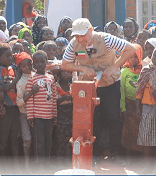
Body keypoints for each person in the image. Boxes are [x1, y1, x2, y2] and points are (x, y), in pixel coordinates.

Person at [61, 18, 136, 165]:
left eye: (83, 35)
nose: (80, 39)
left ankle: (115, 153)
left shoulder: (106, 39)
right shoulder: (74, 44)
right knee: (90, 120)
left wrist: (114, 66)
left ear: (90, 30)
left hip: (110, 85)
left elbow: (131, 49)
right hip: (88, 88)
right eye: (77, 36)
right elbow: (65, 64)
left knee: (114, 119)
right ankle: (92, 155)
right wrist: (82, 68)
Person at [26, 50, 57, 170]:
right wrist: (30, 116)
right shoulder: (31, 78)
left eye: (42, 62)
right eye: (36, 62)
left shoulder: (50, 77)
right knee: (40, 141)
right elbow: (30, 99)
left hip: (49, 116)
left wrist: (54, 114)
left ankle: (47, 161)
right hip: (38, 116)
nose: (39, 64)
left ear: (46, 62)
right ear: (33, 64)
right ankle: (40, 165)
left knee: (48, 140)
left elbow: (53, 97)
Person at [0, 43, 22, 169]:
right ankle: (2, 167)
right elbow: (3, 88)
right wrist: (16, 79)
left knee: (15, 137)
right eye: (7, 56)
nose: (10, 58)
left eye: (11, 56)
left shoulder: (14, 68)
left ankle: (16, 167)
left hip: (16, 107)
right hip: (5, 108)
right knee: (3, 138)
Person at [120, 44, 143, 164]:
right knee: (128, 132)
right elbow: (122, 91)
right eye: (130, 56)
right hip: (128, 106)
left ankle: (140, 159)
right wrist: (123, 108)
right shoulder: (124, 71)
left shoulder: (144, 70)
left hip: (141, 106)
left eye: (135, 56)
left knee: (140, 132)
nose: (133, 59)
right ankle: (129, 159)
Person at [14, 52, 37, 170]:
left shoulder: (37, 76)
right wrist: (31, 93)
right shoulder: (21, 82)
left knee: (37, 139)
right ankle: (27, 166)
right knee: (27, 140)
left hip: (38, 113)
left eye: (29, 64)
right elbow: (19, 103)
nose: (27, 68)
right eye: (24, 66)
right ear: (19, 67)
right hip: (25, 113)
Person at [51, 68, 73, 161]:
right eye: (64, 71)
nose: (66, 74)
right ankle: (59, 160)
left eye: (68, 72)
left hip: (70, 116)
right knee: (59, 138)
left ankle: (68, 159)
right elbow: (53, 102)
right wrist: (64, 98)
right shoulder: (55, 86)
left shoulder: (72, 86)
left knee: (69, 138)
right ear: (59, 73)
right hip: (59, 115)